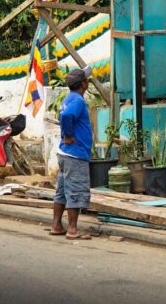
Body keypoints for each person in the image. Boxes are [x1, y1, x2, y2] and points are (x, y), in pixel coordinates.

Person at [50, 66, 94, 240]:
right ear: (84, 84)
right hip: (75, 154)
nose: (88, 81)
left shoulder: (68, 98)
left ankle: (56, 225)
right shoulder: (77, 101)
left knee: (62, 191)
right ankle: (73, 230)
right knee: (75, 191)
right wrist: (68, 135)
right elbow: (67, 116)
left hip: (65, 154)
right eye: (86, 79)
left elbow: (65, 115)